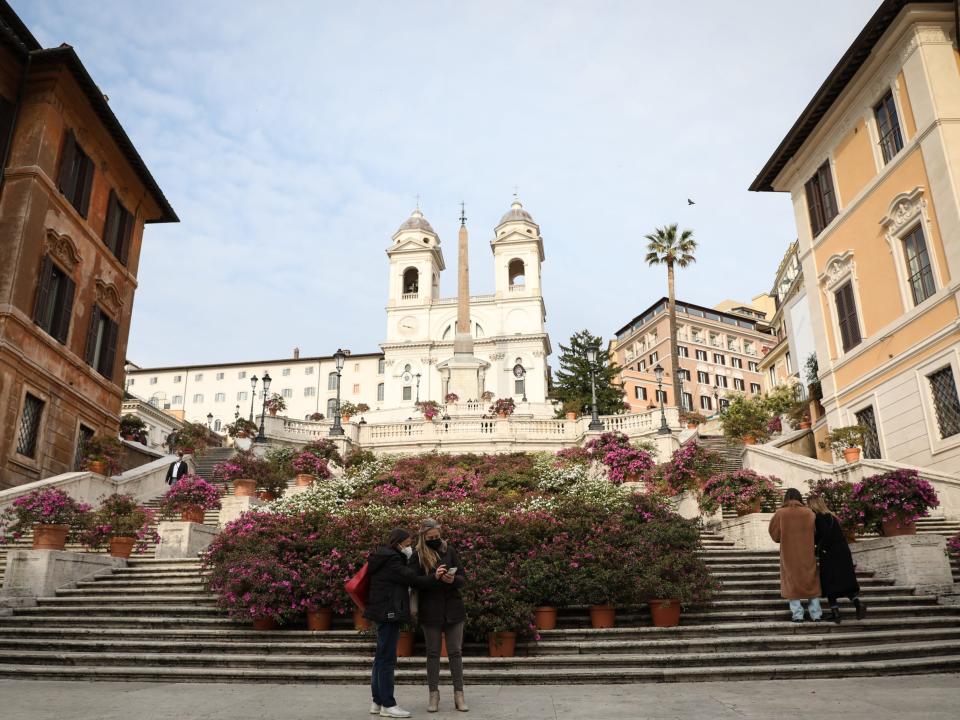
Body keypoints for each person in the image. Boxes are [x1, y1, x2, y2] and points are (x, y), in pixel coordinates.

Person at [365, 528, 444, 719]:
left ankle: (377, 701)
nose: (409, 548)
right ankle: (388, 704)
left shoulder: (382, 557)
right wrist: (435, 576)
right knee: (387, 659)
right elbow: (414, 579)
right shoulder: (392, 560)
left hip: (381, 611)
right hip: (389, 613)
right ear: (398, 543)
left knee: (380, 657)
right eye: (408, 545)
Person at [410, 518, 468, 713]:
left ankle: (459, 694)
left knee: (455, 652)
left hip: (453, 608)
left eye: (437, 536)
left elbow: (463, 577)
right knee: (432, 653)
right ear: (423, 537)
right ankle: (433, 695)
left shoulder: (449, 551)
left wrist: (453, 579)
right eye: (431, 537)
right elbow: (414, 581)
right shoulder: (418, 555)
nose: (435, 539)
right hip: (430, 610)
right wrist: (433, 578)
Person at [808, 495, 867, 623]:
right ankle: (857, 604)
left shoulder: (818, 517)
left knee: (829, 583)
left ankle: (835, 613)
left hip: (830, 553)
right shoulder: (832, 516)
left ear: (813, 505)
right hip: (842, 552)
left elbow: (826, 535)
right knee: (844, 582)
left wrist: (818, 547)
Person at [768, 488, 822, 622]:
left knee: (791, 582)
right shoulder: (809, 513)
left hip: (789, 554)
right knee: (811, 581)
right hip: (807, 553)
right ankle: (816, 614)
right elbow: (816, 532)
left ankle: (798, 615)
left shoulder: (780, 513)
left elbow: (774, 534)